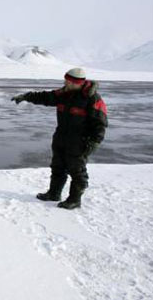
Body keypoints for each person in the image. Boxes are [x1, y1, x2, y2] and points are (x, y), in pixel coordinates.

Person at [11, 67, 108, 209]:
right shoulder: (63, 94)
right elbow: (45, 97)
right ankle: (54, 194)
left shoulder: (92, 98)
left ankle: (74, 200)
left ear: (79, 82)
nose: (66, 83)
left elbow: (100, 123)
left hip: (79, 140)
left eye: (69, 82)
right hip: (61, 137)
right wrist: (26, 96)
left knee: (77, 170)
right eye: (66, 80)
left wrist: (94, 142)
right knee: (58, 167)